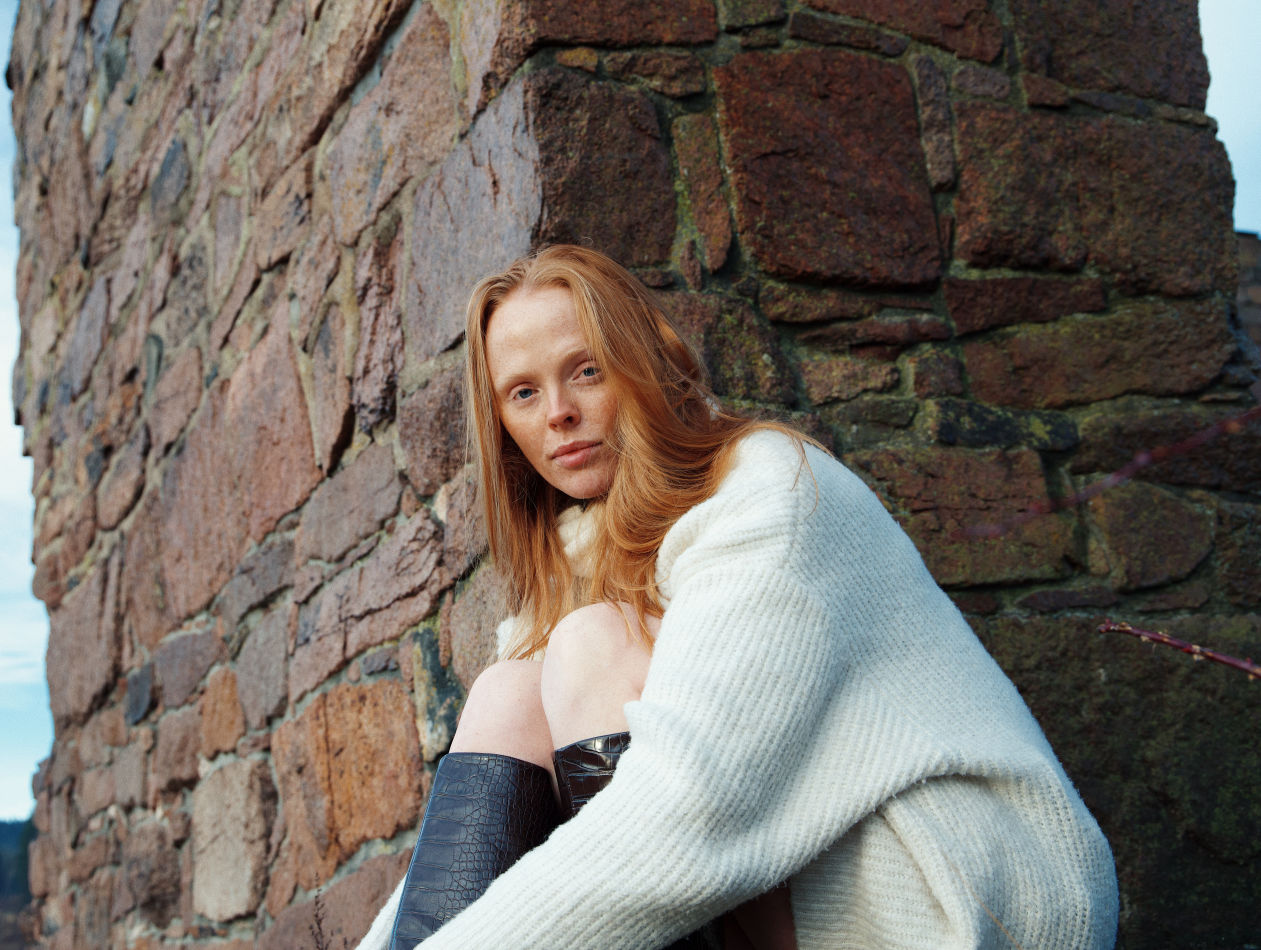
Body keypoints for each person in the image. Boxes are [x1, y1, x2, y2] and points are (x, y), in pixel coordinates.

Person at [357, 245, 1119, 950]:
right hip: (781, 886)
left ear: (642, 363)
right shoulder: (574, 557)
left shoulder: (765, 488)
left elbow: (688, 813)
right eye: (522, 392)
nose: (557, 411)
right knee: (510, 691)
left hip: (951, 902)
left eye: (586, 370)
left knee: (591, 648)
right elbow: (469, 843)